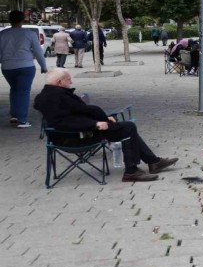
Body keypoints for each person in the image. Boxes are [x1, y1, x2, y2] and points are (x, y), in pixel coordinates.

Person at [33, 68, 178, 182]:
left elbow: (75, 114)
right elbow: (63, 122)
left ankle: (152, 162)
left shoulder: (50, 94)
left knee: (127, 128)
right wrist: (95, 124)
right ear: (59, 82)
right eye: (68, 80)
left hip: (80, 131)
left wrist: (102, 119)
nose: (71, 82)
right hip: (75, 137)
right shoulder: (54, 97)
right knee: (128, 128)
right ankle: (132, 171)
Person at [0, 10, 48, 128]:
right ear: (22, 20)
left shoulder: (2, 34)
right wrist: (43, 66)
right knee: (24, 92)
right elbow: (38, 52)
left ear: (10, 20)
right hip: (26, 66)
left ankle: (14, 115)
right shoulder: (30, 34)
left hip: (7, 67)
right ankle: (22, 120)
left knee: (14, 89)